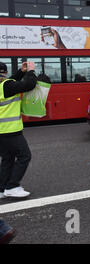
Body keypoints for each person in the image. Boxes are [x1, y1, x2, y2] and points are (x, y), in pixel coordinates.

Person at [0, 61, 37, 198]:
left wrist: (21, 72)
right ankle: (12, 186)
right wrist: (30, 71)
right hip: (10, 130)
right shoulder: (6, 85)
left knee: (7, 158)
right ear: (4, 73)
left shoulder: (5, 86)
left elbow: (10, 83)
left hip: (1, 132)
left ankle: (2, 188)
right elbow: (29, 84)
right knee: (24, 155)